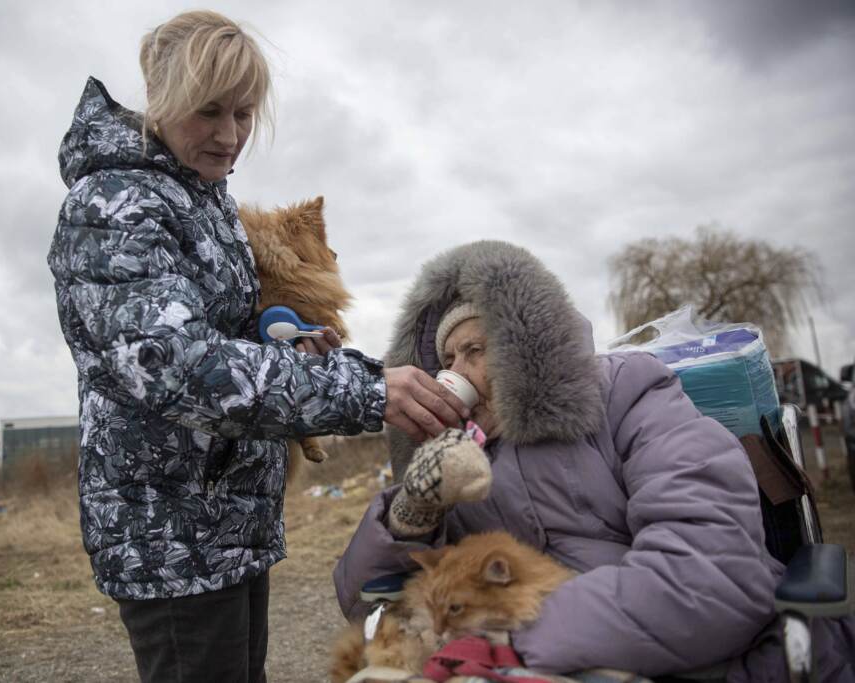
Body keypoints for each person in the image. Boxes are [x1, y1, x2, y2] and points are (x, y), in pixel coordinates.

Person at [46, 11, 467, 683]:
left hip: (227, 522)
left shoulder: (202, 196)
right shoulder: (115, 205)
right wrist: (366, 389)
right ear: (162, 98)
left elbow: (228, 341)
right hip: (171, 534)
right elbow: (179, 367)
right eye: (210, 112)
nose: (230, 135)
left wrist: (303, 349)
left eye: (244, 114)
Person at [334, 240, 854, 682]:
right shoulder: (460, 464)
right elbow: (371, 609)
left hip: (721, 664)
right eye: (445, 363)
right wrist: (409, 517)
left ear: (527, 347)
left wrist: (504, 643)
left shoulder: (627, 393)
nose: (457, 376)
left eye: (475, 351)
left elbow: (708, 577)